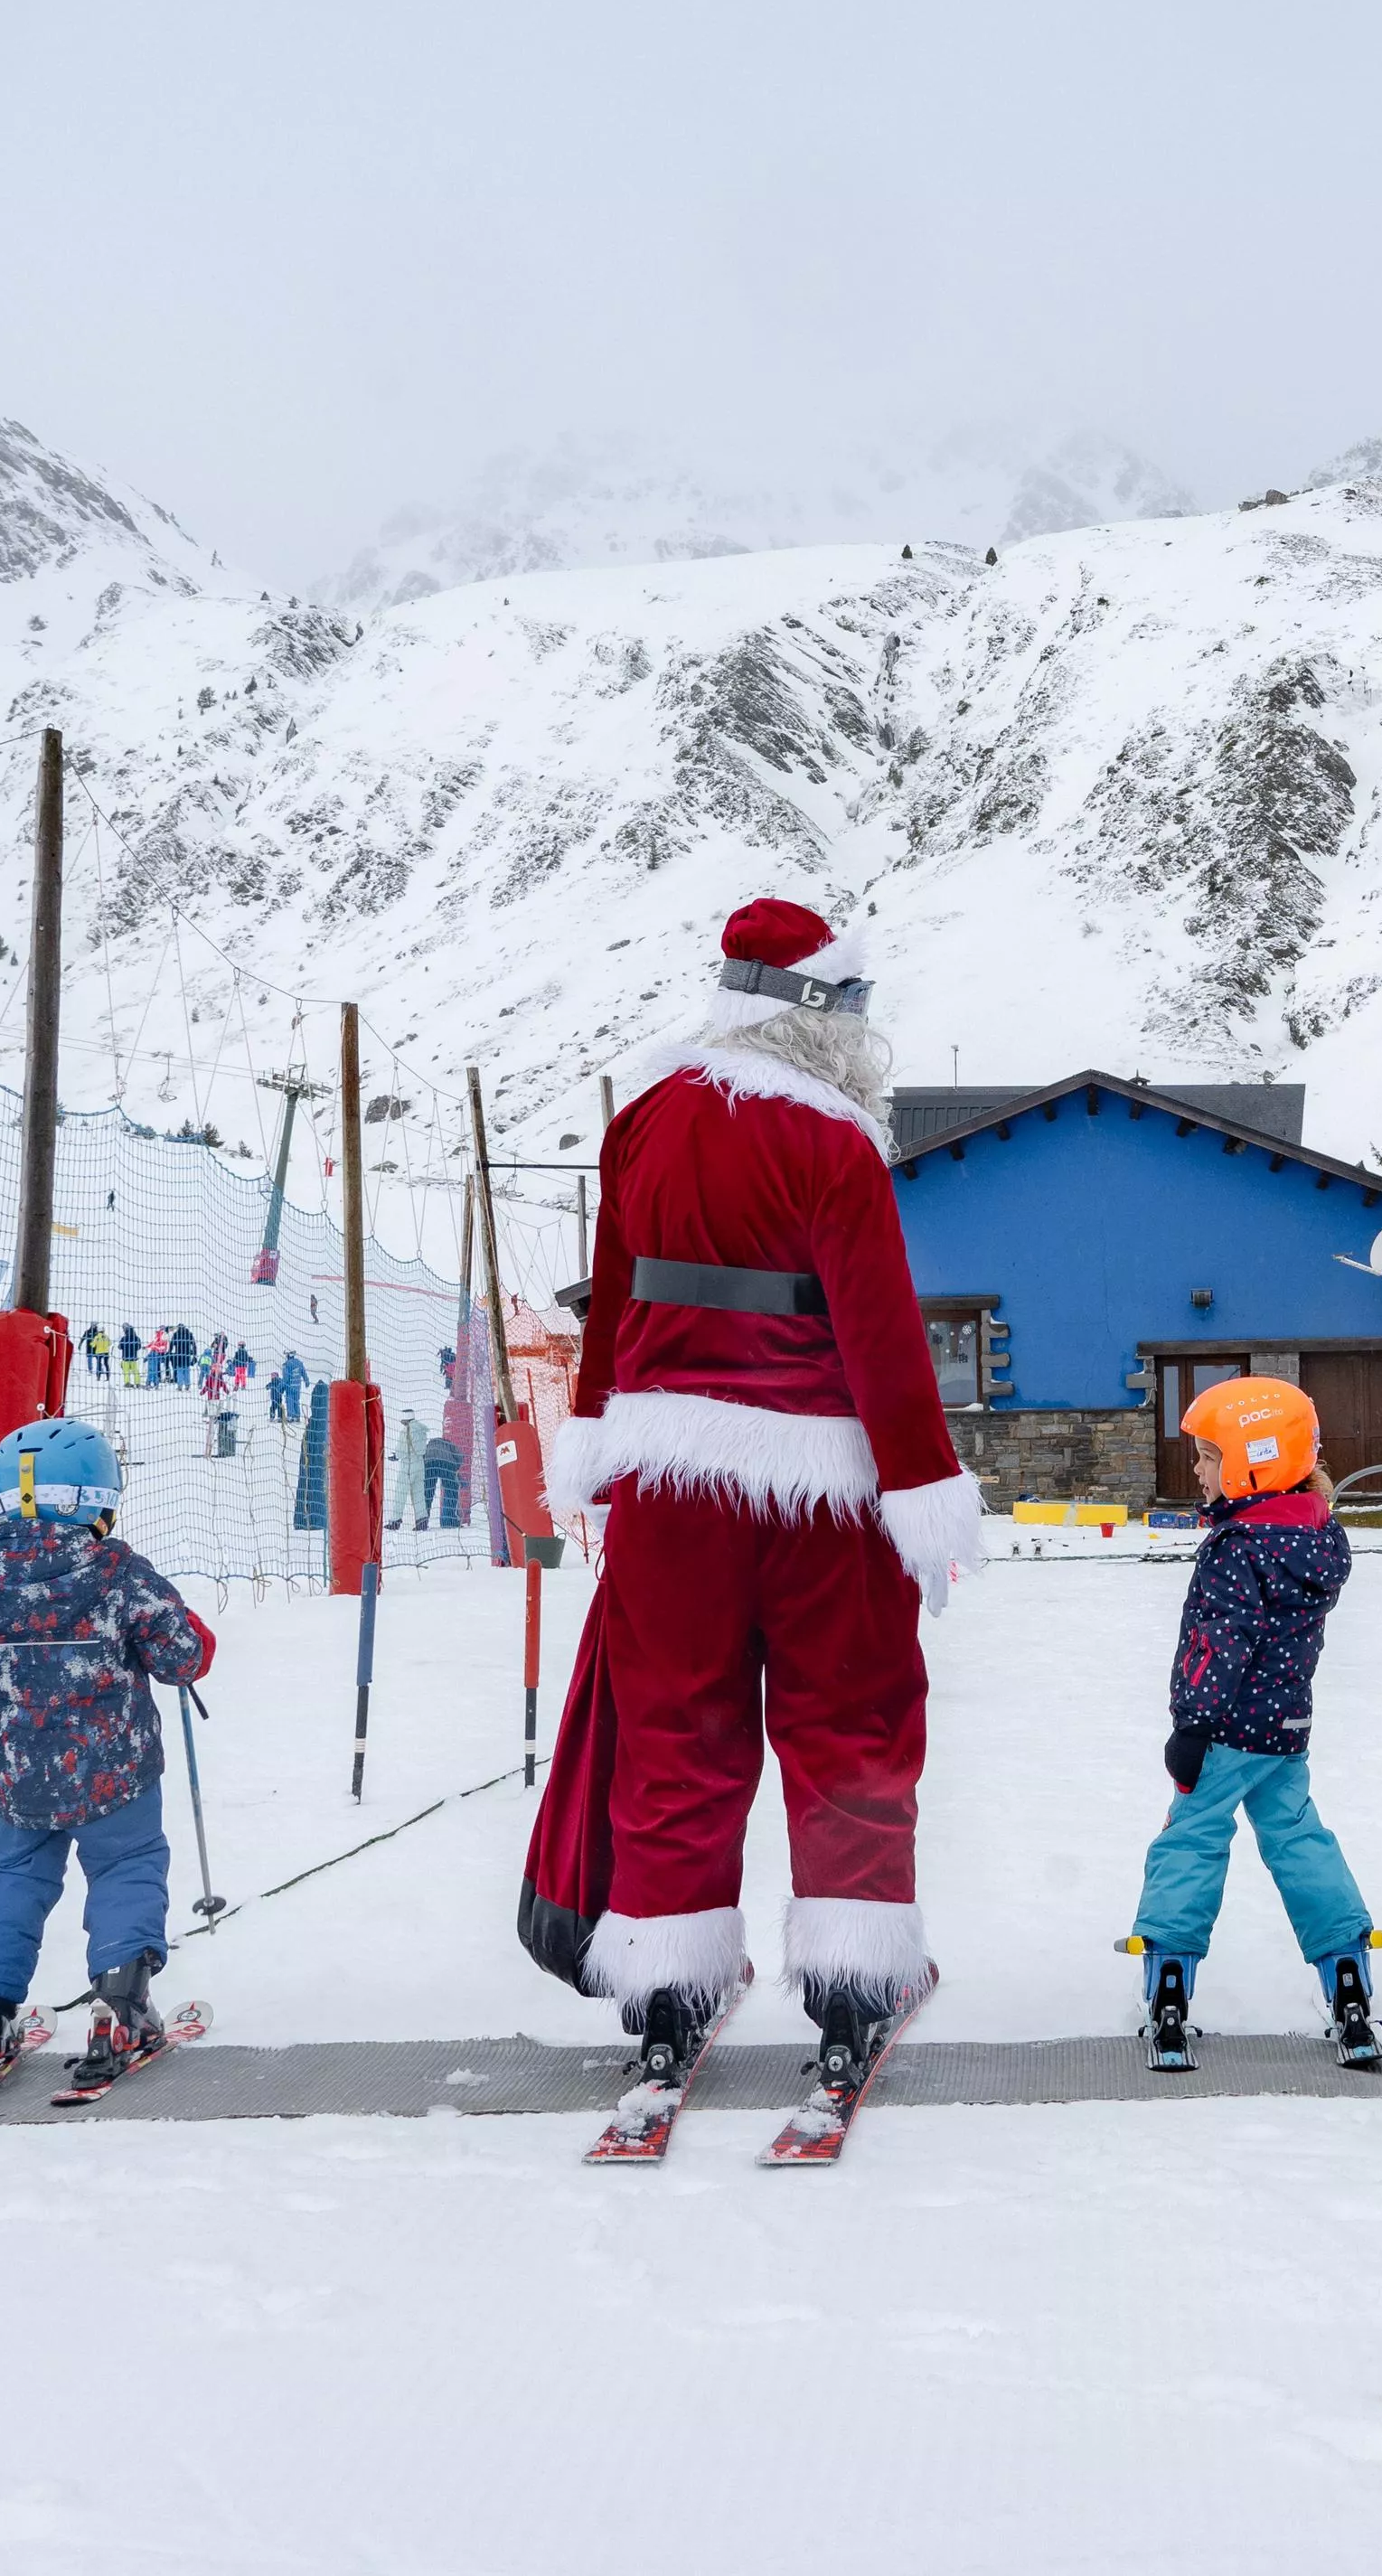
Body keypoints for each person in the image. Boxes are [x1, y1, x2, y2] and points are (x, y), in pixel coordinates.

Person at [524, 898, 982, 2126]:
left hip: (672, 1488)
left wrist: (602, 1438)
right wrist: (922, 1490)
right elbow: (879, 1331)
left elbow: (610, 1302)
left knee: (676, 1732)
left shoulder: (643, 1123)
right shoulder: (832, 1141)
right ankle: (850, 1986)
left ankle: (668, 1994)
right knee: (852, 1727)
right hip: (825, 1493)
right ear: (818, 1011)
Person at [0, 1415, 217, 2102]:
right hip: (113, 1771)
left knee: (11, 1875)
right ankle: (119, 2005)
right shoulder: (114, 1570)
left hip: (17, 1777)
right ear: (99, 1499)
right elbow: (185, 1653)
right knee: (125, 1867)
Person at [1128, 1377, 1382, 2068]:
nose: (1198, 1470)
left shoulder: (1237, 1550)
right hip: (1285, 1729)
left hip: (1224, 1735)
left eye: (1209, 1457)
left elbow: (1221, 1643)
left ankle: (1170, 1988)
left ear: (1251, 1464)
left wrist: (1191, 1727)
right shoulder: (1318, 1538)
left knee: (1191, 1841)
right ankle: (1348, 1980)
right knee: (1300, 1842)